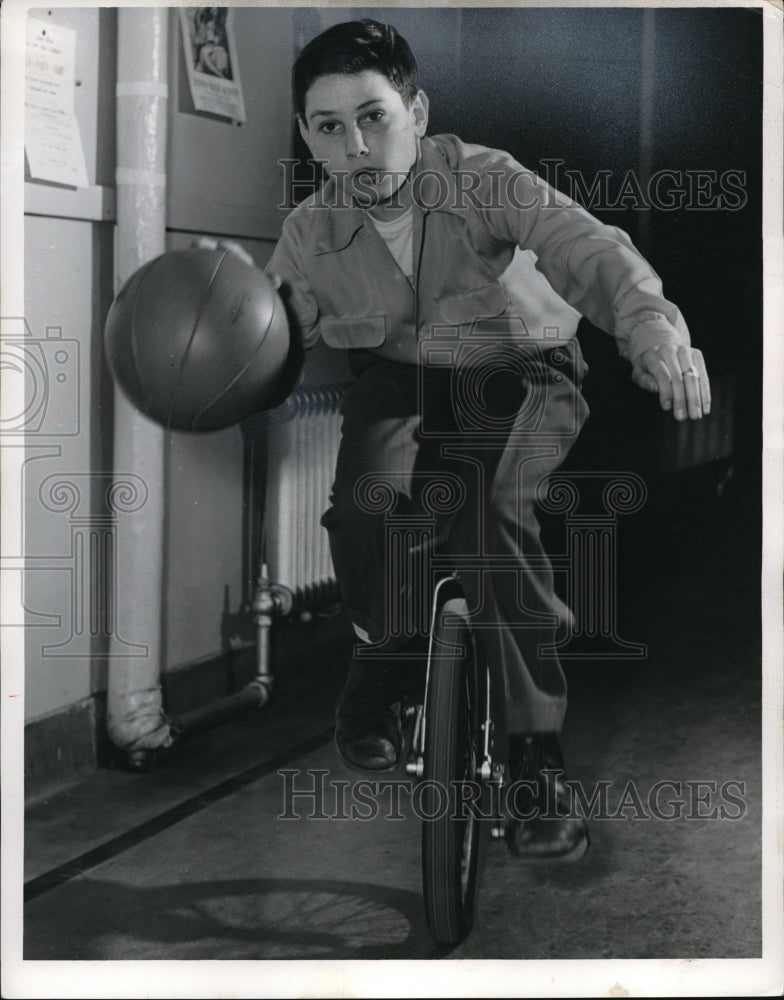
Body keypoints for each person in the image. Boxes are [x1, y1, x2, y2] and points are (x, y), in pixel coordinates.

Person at [235, 18, 710, 860]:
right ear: (308, 137)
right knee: (365, 511)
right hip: (403, 380)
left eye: (374, 117)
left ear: (417, 113)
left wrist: (653, 332)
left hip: (520, 369)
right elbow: (267, 337)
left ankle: (534, 755)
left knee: (489, 515)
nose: (356, 146)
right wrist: (219, 315)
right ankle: (383, 660)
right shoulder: (309, 233)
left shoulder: (486, 178)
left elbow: (588, 248)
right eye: (330, 127)